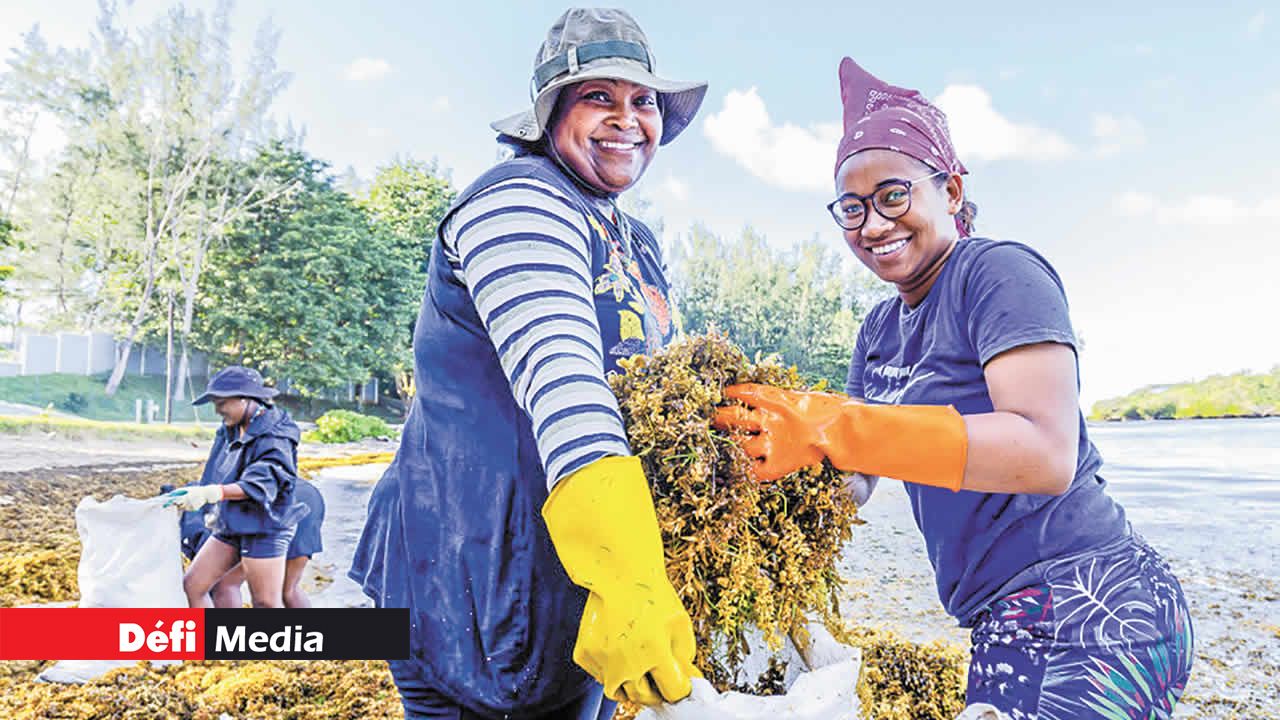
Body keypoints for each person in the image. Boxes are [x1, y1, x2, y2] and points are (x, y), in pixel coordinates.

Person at [713, 57, 1194, 719]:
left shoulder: (997, 275)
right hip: (1006, 616)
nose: (873, 225)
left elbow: (1045, 452)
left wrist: (832, 426)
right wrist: (756, 471)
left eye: (893, 195)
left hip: (1087, 601)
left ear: (953, 191)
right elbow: (855, 479)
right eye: (851, 209)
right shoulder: (879, 329)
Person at [348, 9, 707, 719]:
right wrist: (631, 579)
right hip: (471, 571)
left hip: (575, 570)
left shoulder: (632, 237)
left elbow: (654, 395)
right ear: (549, 113)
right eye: (598, 97)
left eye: (644, 101)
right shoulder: (518, 204)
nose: (627, 119)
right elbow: (565, 384)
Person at [165, 366, 308, 609]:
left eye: (222, 402)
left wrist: (211, 493)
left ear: (246, 398)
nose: (217, 409)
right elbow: (215, 472)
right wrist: (193, 493)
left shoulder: (276, 434)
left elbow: (261, 483)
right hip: (232, 520)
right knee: (194, 586)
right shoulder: (229, 429)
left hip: (266, 525)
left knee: (265, 601)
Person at [176, 476, 325, 608]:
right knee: (289, 588)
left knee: (226, 584)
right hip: (305, 495)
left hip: (267, 500)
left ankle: (230, 638)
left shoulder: (197, 509)